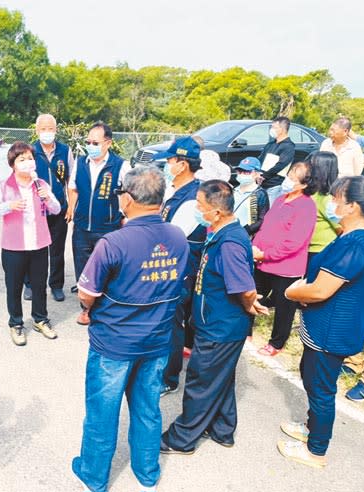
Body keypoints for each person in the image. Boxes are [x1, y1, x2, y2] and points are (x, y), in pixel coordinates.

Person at [72, 166, 189, 492]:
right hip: (156, 342)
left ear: (129, 198)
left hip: (114, 344)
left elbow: (87, 294)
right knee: (147, 409)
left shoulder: (113, 243)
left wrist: (87, 310)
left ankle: (93, 477)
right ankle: (147, 473)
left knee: (101, 415)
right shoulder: (177, 236)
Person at [161, 180, 269, 455]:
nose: (197, 210)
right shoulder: (222, 232)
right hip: (216, 322)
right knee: (220, 377)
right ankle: (222, 428)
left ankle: (182, 438)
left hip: (220, 327)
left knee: (201, 380)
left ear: (217, 212)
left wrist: (249, 304)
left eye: (201, 206)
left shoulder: (230, 242)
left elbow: (244, 287)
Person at [278, 176, 364, 467]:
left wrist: (292, 291)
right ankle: (311, 428)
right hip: (323, 324)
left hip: (331, 331)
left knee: (321, 390)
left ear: (353, 206)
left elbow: (320, 290)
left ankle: (316, 450)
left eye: (337, 197)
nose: (332, 202)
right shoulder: (348, 234)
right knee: (311, 377)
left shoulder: (357, 243)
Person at [0, 141, 61, 346]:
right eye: (22, 159)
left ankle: (40, 319)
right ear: (13, 164)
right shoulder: (4, 185)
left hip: (38, 243)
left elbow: (56, 209)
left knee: (39, 285)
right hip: (14, 246)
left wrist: (49, 199)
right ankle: (16, 323)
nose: (27, 162)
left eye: (30, 158)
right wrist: (8, 206)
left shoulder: (41, 185)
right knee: (14, 286)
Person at [153, 136, 207, 395]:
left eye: (170, 160)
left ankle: (168, 377)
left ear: (183, 164)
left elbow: (171, 235)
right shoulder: (175, 190)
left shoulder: (192, 198)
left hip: (179, 268)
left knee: (172, 321)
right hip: (166, 264)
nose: (167, 164)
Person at [66, 122, 131, 325]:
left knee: (107, 270)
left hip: (108, 227)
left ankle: (104, 309)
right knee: (83, 269)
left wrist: (123, 215)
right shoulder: (81, 162)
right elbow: (73, 187)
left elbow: (127, 193)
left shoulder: (121, 165)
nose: (91, 145)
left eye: (95, 142)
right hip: (82, 226)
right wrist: (71, 208)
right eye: (88, 142)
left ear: (108, 143)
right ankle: (86, 310)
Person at [252, 161, 318, 356]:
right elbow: (266, 226)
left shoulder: (306, 207)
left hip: (285, 267)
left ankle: (277, 343)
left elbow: (294, 242)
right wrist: (257, 245)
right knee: (253, 295)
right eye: (289, 175)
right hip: (262, 262)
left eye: (293, 178)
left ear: (305, 184)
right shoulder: (282, 199)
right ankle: (245, 331)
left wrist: (265, 254)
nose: (288, 180)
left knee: (284, 308)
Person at [23, 114, 75, 303]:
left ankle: (56, 285)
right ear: (36, 131)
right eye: (43, 129)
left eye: (50, 128)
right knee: (33, 248)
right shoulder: (29, 151)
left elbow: (71, 180)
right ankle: (29, 284)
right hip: (36, 210)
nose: (47, 132)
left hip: (58, 208)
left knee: (57, 249)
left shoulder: (65, 151)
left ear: (56, 129)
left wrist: (70, 206)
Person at [307, 151, 340, 263]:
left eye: (311, 165)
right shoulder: (312, 193)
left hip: (321, 250)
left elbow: (341, 227)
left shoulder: (327, 199)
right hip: (309, 248)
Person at [258, 116, 296, 205]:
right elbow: (260, 159)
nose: (272, 130)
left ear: (282, 129)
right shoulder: (270, 144)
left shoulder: (288, 147)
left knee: (271, 212)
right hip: (262, 184)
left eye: (274, 127)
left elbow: (281, 165)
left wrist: (264, 175)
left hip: (275, 186)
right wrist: (256, 173)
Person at [232, 157, 269, 238]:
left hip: (247, 236)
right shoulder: (233, 191)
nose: (242, 174)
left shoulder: (260, 194)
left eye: (247, 172)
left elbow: (262, 219)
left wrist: (246, 230)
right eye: (240, 171)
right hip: (229, 233)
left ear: (257, 173)